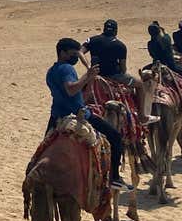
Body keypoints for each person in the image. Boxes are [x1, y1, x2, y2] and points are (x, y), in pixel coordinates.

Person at [46, 38, 128, 190]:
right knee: (116, 137)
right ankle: (115, 178)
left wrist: (88, 84)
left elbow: (68, 94)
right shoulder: (66, 69)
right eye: (73, 54)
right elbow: (71, 90)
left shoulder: (51, 71)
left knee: (44, 147)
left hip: (56, 116)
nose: (75, 58)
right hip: (78, 115)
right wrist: (88, 75)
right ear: (62, 53)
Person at [82, 19, 159, 125]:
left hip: (94, 74)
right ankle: (142, 116)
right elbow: (123, 69)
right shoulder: (120, 45)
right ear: (116, 31)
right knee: (140, 84)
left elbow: (80, 52)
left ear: (104, 29)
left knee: (77, 87)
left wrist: (88, 66)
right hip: (114, 76)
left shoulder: (92, 40)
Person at [147, 21, 182, 103]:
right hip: (170, 64)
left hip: (156, 65)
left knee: (145, 71)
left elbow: (152, 54)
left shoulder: (150, 43)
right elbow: (166, 36)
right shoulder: (166, 39)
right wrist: (163, 31)